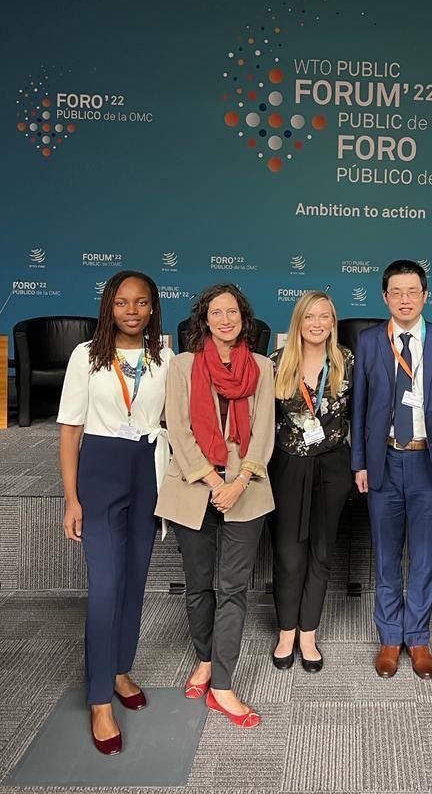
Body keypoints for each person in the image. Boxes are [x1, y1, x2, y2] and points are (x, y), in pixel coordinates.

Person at [58, 270, 173, 756]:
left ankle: (121, 668)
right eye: (122, 302)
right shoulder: (85, 356)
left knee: (134, 579)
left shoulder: (164, 358)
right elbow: (70, 429)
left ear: (152, 309)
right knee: (105, 584)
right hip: (101, 469)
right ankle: (99, 697)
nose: (131, 310)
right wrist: (72, 499)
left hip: (146, 467)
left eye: (141, 302)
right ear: (109, 306)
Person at [156, 284, 274, 728]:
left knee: (233, 588)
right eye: (216, 312)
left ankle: (222, 685)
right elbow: (178, 428)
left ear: (244, 318)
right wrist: (212, 480)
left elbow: (264, 431)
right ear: (204, 320)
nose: (226, 319)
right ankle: (204, 660)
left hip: (246, 488)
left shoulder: (261, 366)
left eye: (233, 312)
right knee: (199, 584)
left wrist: (238, 481)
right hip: (194, 486)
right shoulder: (183, 366)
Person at [352, 259, 432, 680]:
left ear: (425, 296)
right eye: (396, 292)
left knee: (423, 556)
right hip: (383, 460)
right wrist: (360, 462)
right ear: (385, 297)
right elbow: (359, 407)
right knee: (386, 556)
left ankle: (417, 637)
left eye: (412, 291)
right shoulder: (369, 341)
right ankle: (389, 637)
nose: (405, 299)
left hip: (429, 463)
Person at [270, 291, 353, 672]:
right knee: (289, 555)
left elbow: (360, 414)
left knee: (320, 553)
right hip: (288, 467)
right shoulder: (276, 363)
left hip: (332, 467)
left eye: (325, 316)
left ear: (333, 323)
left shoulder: (347, 362)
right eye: (309, 316)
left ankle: (308, 634)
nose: (317, 324)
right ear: (298, 322)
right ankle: (286, 631)